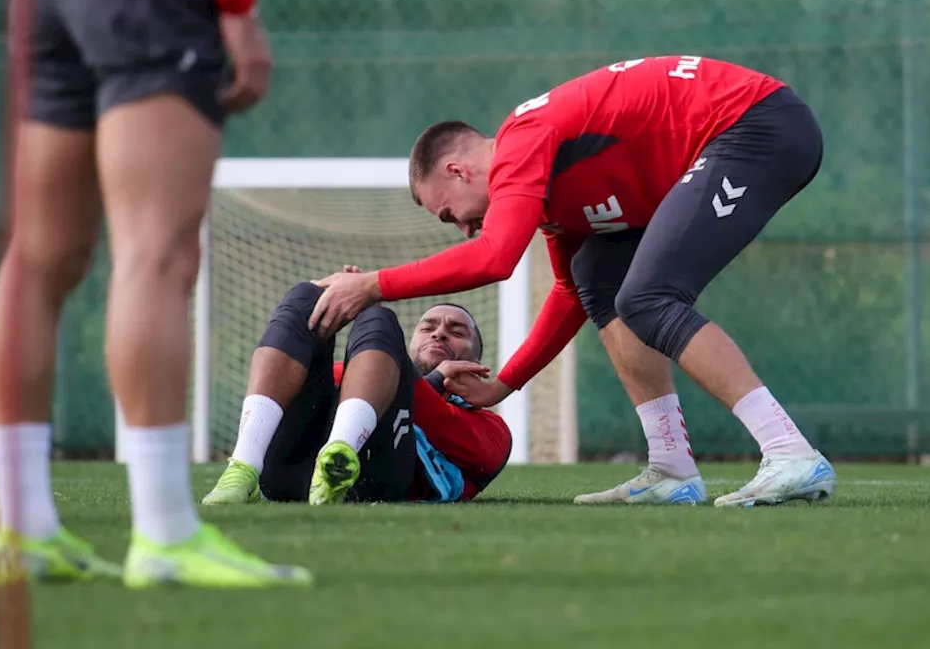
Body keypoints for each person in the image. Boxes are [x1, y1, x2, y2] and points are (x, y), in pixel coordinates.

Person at [308, 55, 837, 508]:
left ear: (457, 169)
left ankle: (789, 451)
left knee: (649, 296)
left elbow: (494, 258)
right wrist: (504, 383)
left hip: (756, 125)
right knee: (596, 275)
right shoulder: (545, 194)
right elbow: (569, 295)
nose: (464, 228)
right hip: (730, 139)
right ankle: (672, 467)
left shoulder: (522, 140)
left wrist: (373, 284)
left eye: (450, 216)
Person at [0, 0, 311, 588]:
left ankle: (24, 529)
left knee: (40, 257)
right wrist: (239, 6)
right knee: (155, 254)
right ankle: (165, 533)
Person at [202, 281, 511, 506]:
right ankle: (242, 469)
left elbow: (448, 427)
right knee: (306, 296)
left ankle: (340, 460)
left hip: (374, 481)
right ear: (408, 346)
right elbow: (324, 383)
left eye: (456, 332)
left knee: (379, 318)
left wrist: (426, 379)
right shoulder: (359, 371)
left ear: (477, 362)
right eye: (427, 327)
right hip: (289, 471)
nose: (439, 332)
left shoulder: (492, 429)